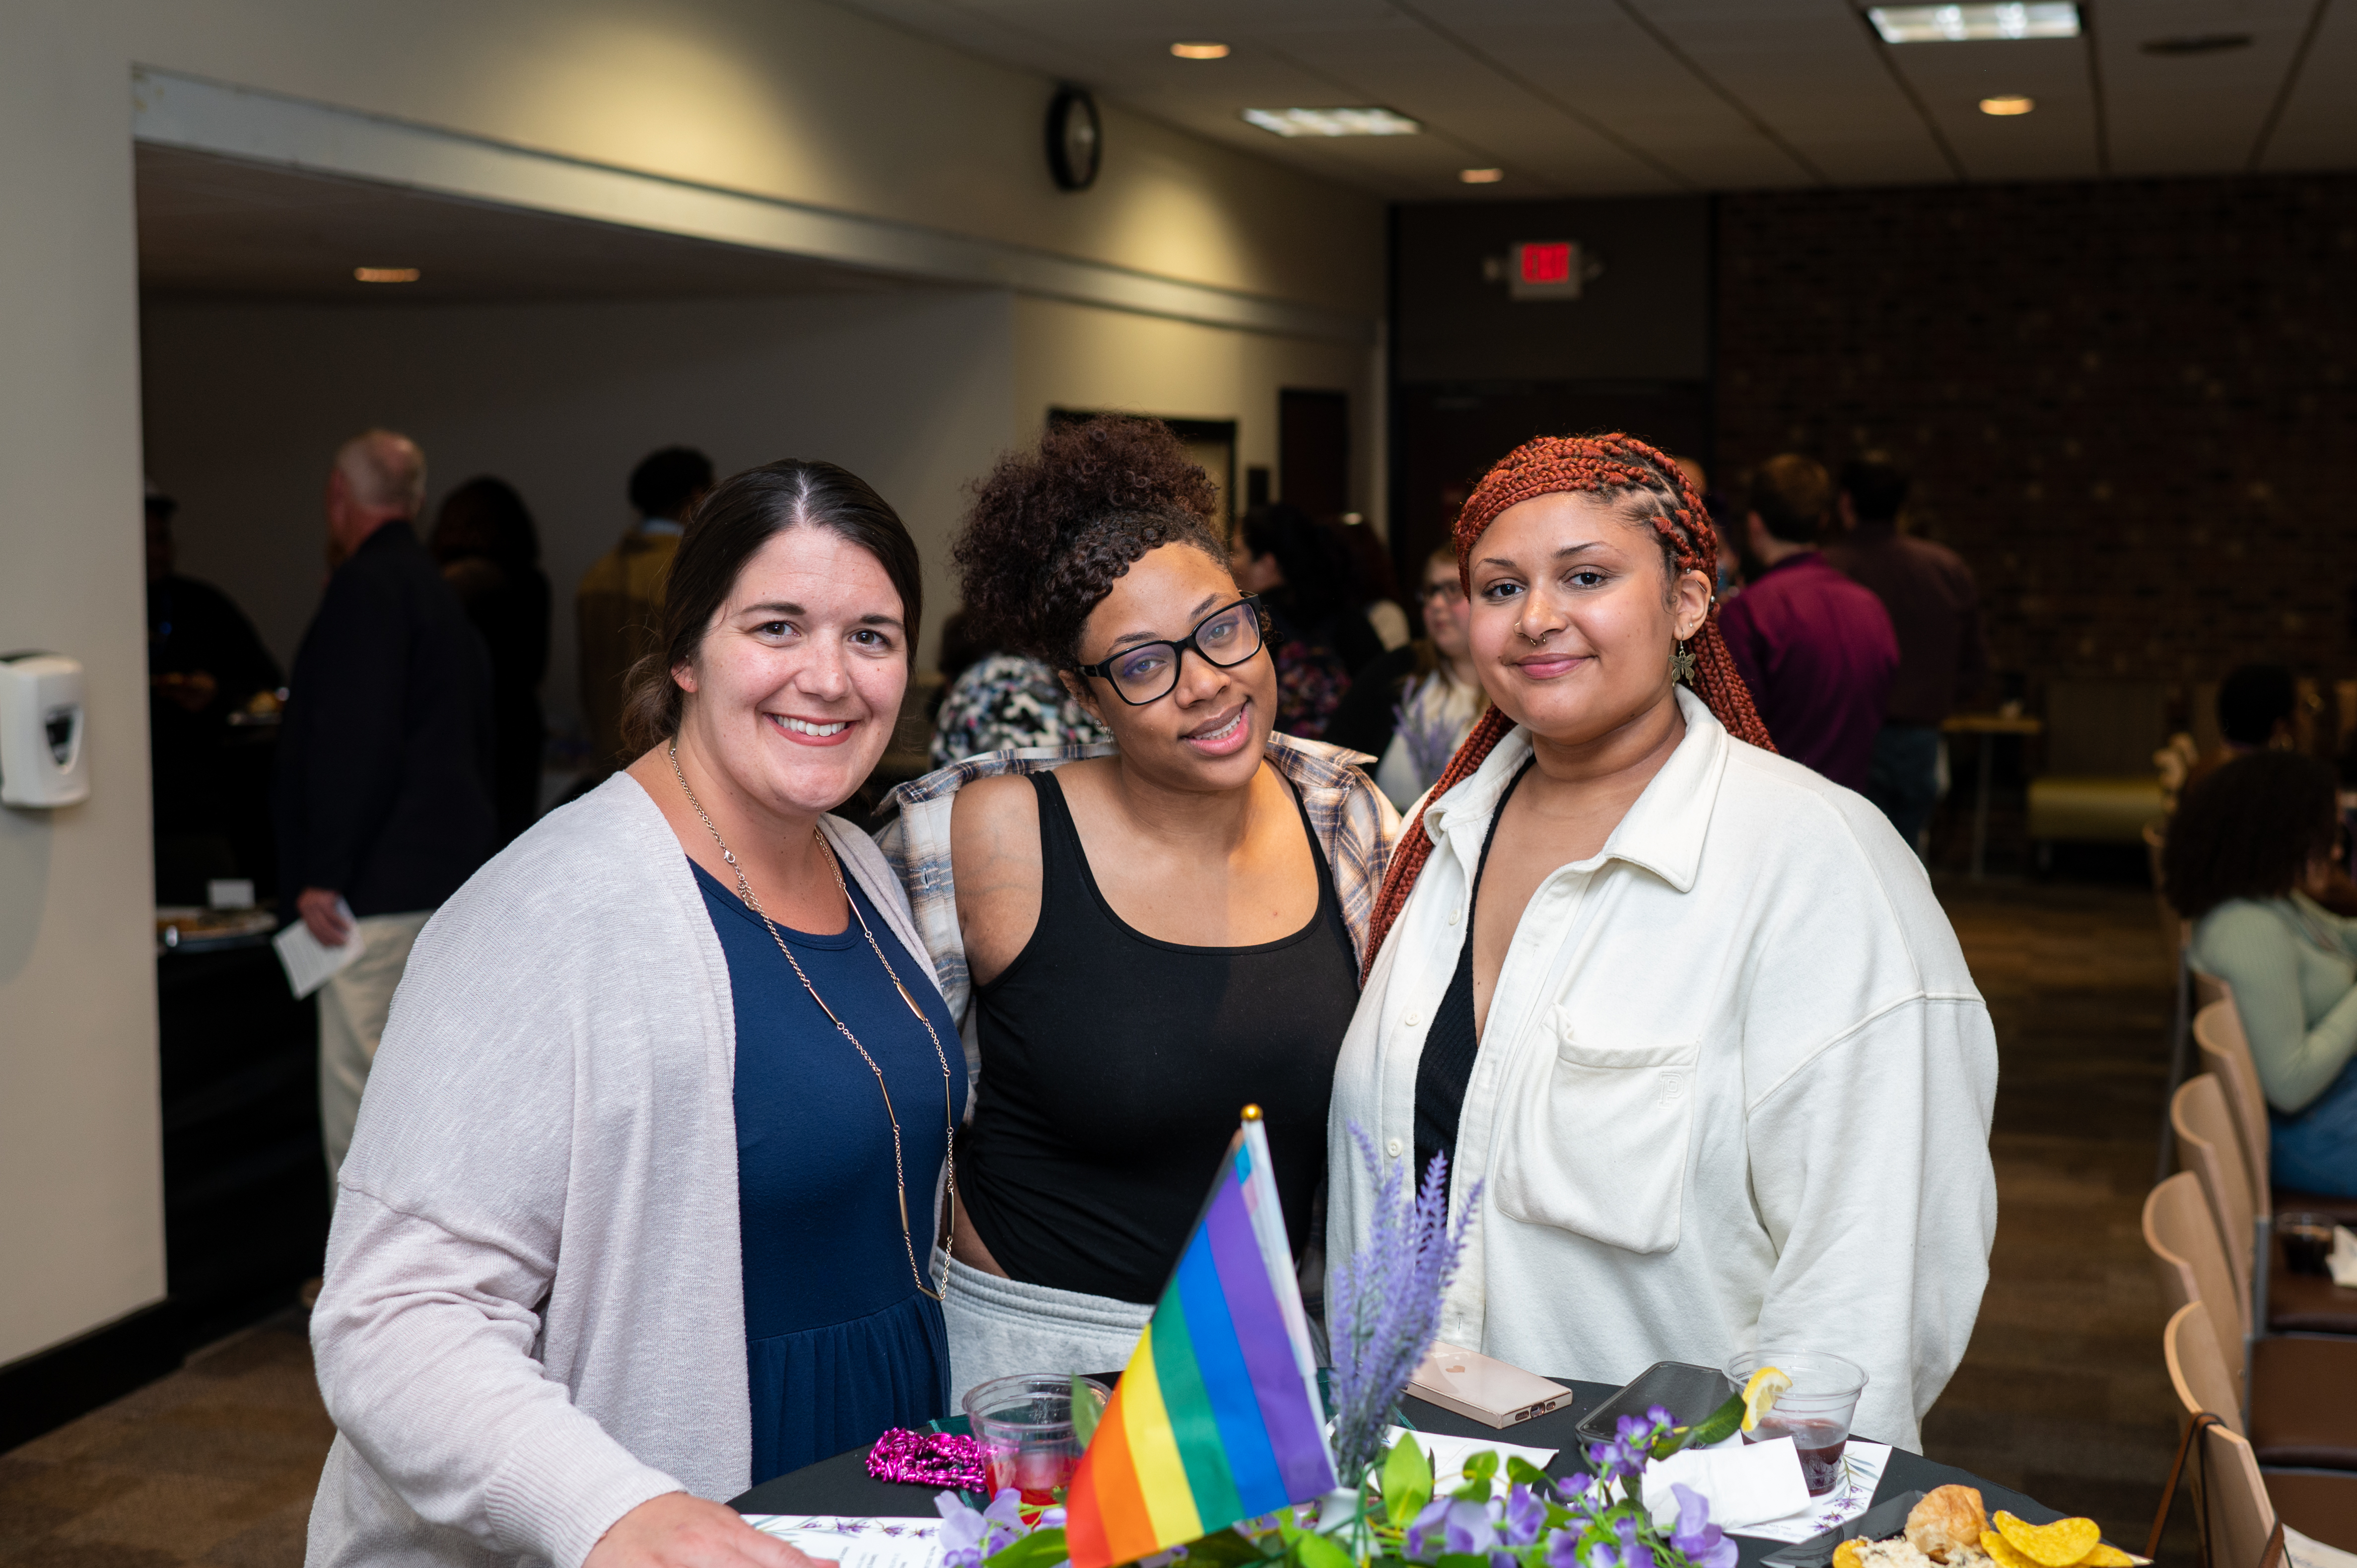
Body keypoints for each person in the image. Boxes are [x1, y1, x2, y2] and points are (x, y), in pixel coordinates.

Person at [307, 458, 950, 1568]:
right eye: (779, 627)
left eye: (872, 637)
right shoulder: (544, 913)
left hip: (887, 1470)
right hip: (683, 1498)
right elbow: (391, 1319)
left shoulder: (861, 861)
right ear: (689, 650)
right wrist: (610, 1509)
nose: (830, 678)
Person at [1328, 432, 1997, 1453]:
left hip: (1659, 1518)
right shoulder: (1434, 833)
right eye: (1499, 587)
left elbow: (1869, 1283)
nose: (1538, 616)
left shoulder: (1816, 866)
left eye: (1586, 576)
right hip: (1412, 1484)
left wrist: (1764, 1517)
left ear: (1688, 601)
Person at [877, 416, 1397, 1398]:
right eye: (1144, 663)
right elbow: (871, 1097)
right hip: (1032, 1371)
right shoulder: (987, 836)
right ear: (1085, 697)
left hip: (1269, 1358)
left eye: (1223, 628)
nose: (1206, 682)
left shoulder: (1348, 820)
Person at [273, 430, 495, 1181]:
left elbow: (351, 744)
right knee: (434, 1096)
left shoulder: (365, 590)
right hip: (448, 881)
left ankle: (362, 1295)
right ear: (416, 500)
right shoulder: (438, 590)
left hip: (369, 890)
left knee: (363, 1099)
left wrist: (321, 871)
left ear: (338, 493)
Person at [2170, 751, 2357, 1197]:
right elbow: (2289, 1084)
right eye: (2328, 833)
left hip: (2328, 1106)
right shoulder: (2249, 930)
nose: (2336, 851)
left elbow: (2343, 937)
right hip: (2310, 1133)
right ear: (2284, 833)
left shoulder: (2271, 900)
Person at [1824, 453, 1988, 852]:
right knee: (1908, 860)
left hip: (1845, 737)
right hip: (1920, 735)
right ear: (1903, 505)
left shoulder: (1826, 570)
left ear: (1846, 502)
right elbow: (1975, 668)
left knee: (1845, 859)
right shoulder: (1945, 569)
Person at [1717, 454, 1899, 790]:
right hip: (1854, 802)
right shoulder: (1871, 606)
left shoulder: (1750, 613)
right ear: (1823, 520)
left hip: (1775, 803)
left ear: (1755, 524)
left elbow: (1733, 731)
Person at [146, 479, 283, 896]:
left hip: (203, 822)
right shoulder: (88, 614)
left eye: (162, 539)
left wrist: (217, 694)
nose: (156, 553)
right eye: (143, 540)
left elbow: (268, 689)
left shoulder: (204, 608)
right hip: (121, 822)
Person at [432, 477, 552, 846]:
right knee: (509, 843)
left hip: (456, 727)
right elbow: (535, 665)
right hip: (514, 727)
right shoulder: (531, 583)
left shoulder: (437, 588)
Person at [1321, 545, 1488, 811]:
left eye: (1453, 590)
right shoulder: (1398, 669)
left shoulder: (1516, 686)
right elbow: (1332, 758)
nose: (1435, 604)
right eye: (1431, 591)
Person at [579, 445, 714, 767]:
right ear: (697, 496)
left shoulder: (598, 573)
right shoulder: (694, 573)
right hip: (674, 761)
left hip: (608, 753)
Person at [1230, 501, 1384, 737]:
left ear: (1267, 563)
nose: (1230, 563)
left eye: (1238, 552)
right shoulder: (1349, 617)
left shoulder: (1253, 623)